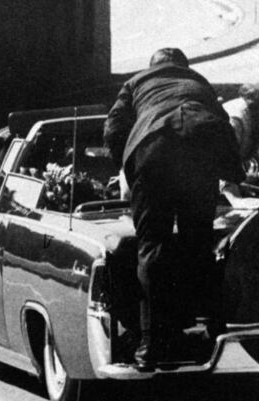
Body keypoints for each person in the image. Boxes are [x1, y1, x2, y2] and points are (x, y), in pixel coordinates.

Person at [103, 48, 244, 370]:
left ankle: (151, 347)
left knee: (153, 247)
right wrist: (235, 177)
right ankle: (213, 333)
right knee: (200, 244)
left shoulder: (136, 83)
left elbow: (113, 129)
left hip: (153, 152)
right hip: (201, 154)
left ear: (153, 66)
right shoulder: (199, 83)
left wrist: (125, 168)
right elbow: (223, 127)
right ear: (183, 66)